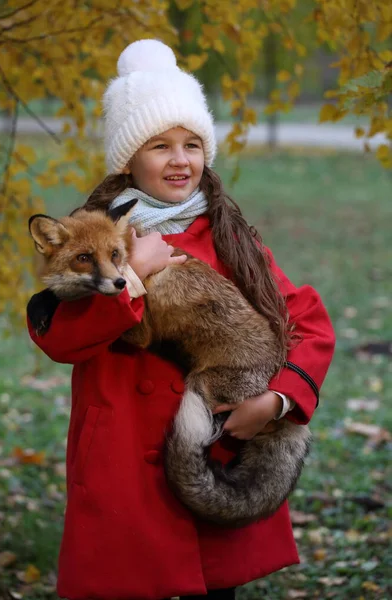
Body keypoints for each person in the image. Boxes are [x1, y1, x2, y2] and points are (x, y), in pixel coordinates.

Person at [27, 39, 335, 600]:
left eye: (192, 144)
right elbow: (60, 338)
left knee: (212, 584)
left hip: (216, 446)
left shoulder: (230, 237)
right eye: (159, 145)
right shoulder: (89, 236)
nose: (179, 160)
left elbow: (308, 322)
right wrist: (131, 277)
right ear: (128, 159)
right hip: (124, 456)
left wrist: (276, 400)